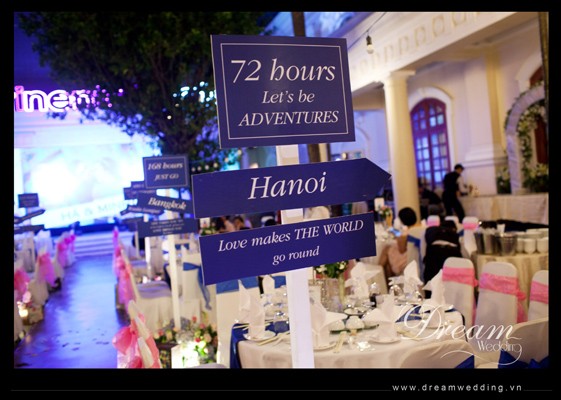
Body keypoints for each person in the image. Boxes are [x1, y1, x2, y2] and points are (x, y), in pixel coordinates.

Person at [378, 207, 422, 282]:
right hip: (418, 256)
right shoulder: (419, 228)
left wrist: (390, 226)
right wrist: (391, 227)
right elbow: (397, 233)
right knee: (388, 251)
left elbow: (401, 250)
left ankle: (380, 274)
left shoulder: (404, 234)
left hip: (407, 258)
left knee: (386, 250)